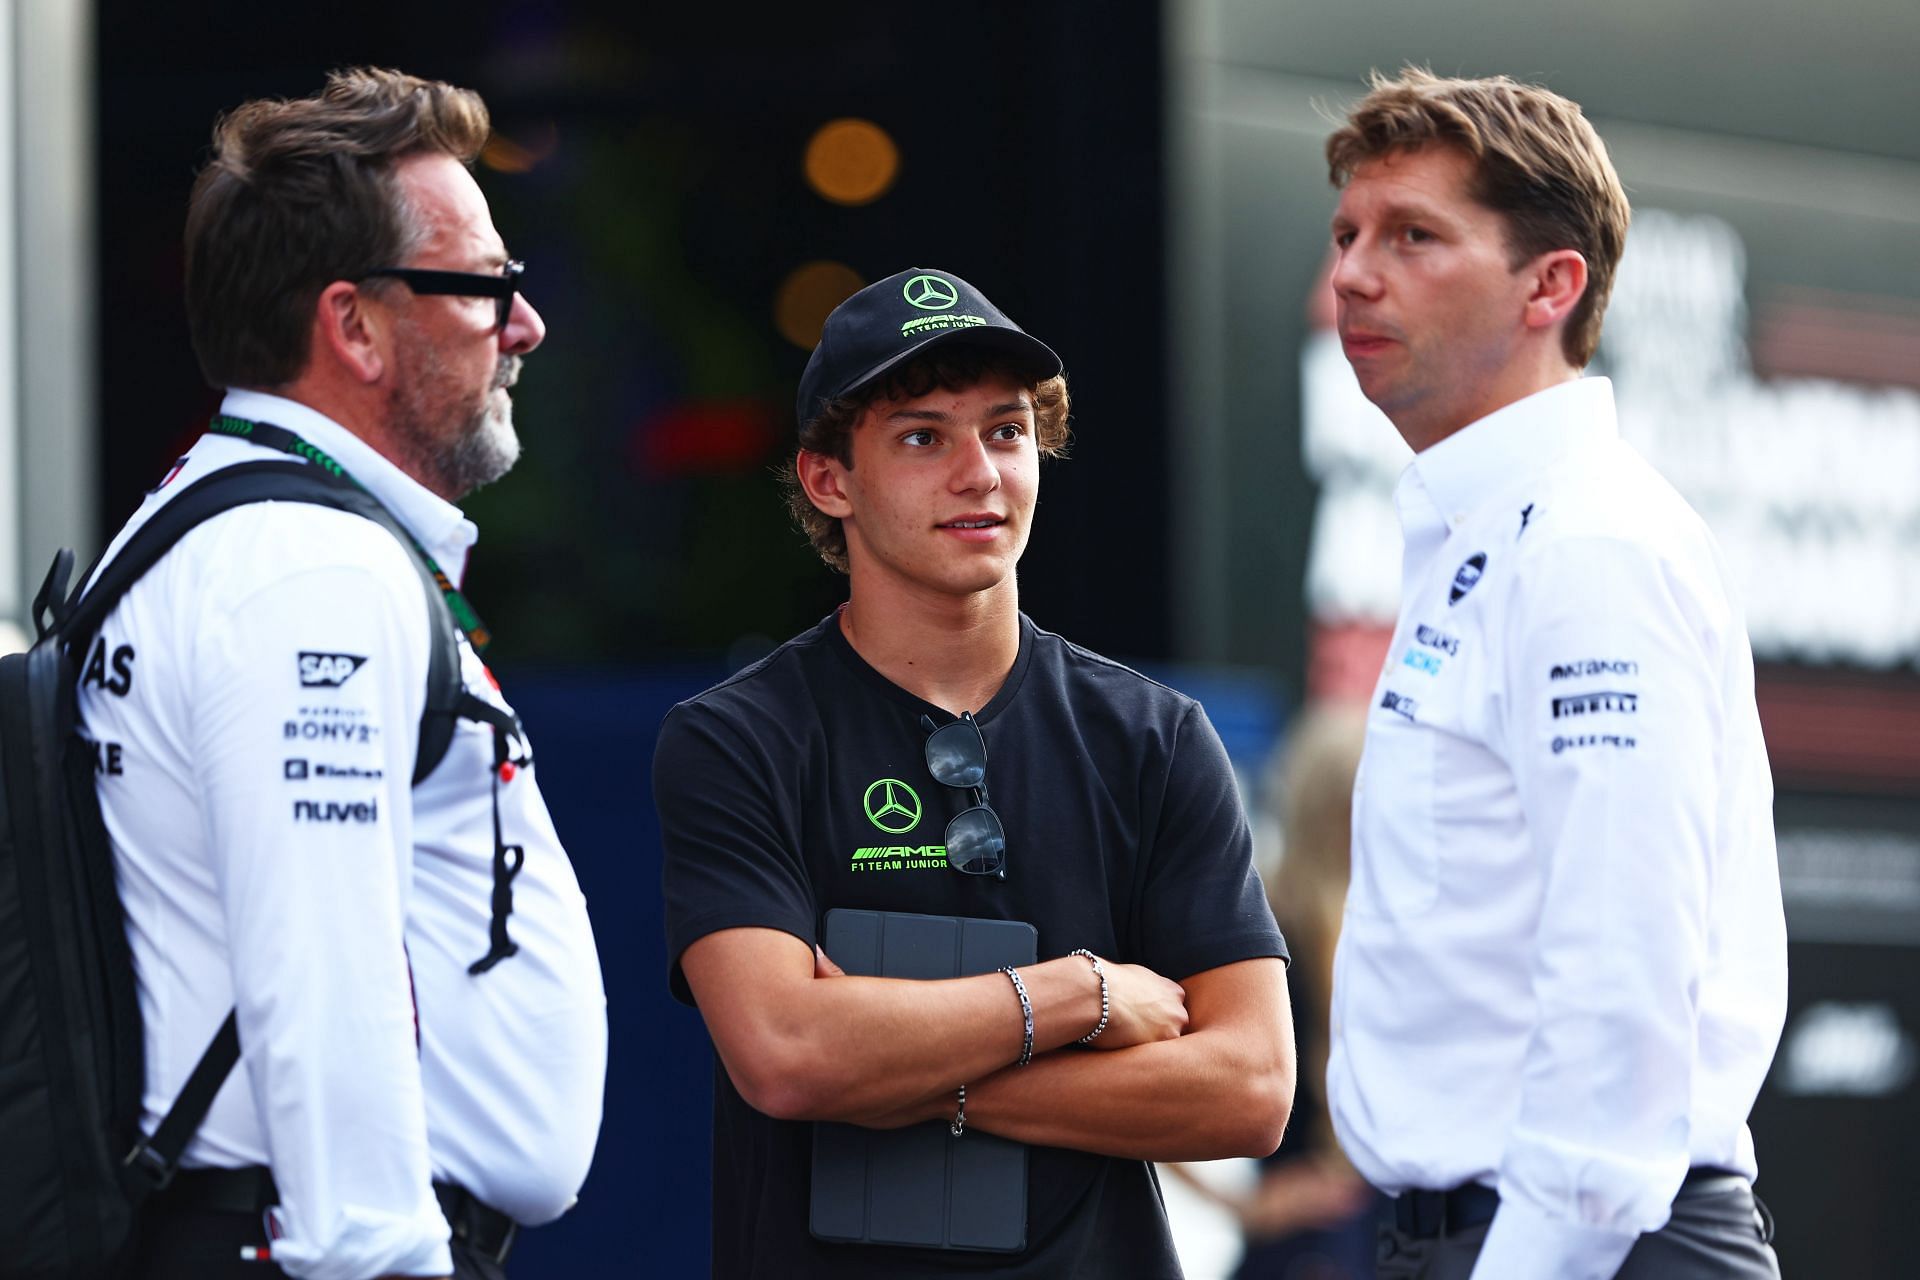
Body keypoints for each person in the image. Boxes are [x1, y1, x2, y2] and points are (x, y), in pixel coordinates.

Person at [654, 267, 1295, 1278]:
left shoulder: (1153, 734)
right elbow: (786, 1053)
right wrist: (1075, 998)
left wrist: (908, 1072)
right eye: (922, 436)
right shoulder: (739, 737)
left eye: (1004, 431)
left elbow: (1251, 1086)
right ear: (829, 479)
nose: (981, 472)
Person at [77, 68, 607, 1279]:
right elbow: (320, 976)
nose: (523, 324)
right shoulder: (309, 568)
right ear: (353, 324)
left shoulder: (223, 526)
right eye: (485, 287)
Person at [1321, 68, 1787, 1278]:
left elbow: (1621, 974)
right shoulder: (1496, 532)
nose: (1356, 274)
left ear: (1552, 284)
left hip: (1580, 1245)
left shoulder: (1586, 544)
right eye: (1348, 234)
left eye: (1414, 235)